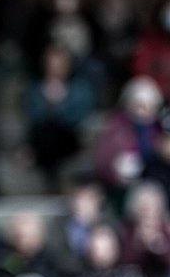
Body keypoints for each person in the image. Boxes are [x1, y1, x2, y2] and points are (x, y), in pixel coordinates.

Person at [25, 44, 95, 184]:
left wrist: (58, 106)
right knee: (47, 134)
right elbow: (35, 118)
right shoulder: (34, 89)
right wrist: (48, 101)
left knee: (52, 135)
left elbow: (78, 118)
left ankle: (41, 163)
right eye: (52, 65)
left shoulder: (80, 88)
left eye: (59, 64)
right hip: (43, 137)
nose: (55, 69)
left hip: (70, 136)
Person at [93, 76, 164, 192]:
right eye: (139, 105)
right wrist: (116, 170)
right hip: (121, 184)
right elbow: (102, 160)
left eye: (149, 106)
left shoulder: (160, 127)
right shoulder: (115, 126)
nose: (144, 110)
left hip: (154, 182)